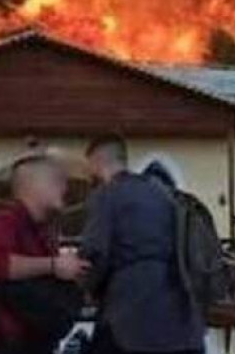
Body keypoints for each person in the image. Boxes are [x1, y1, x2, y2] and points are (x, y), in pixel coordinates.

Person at [80, 134, 206, 354]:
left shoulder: (107, 195)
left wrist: (84, 287)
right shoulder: (164, 193)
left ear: (97, 163)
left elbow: (95, 253)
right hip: (182, 316)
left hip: (131, 317)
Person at [0, 154, 90, 354]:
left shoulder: (43, 231)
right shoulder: (5, 219)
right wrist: (54, 265)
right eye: (56, 181)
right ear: (35, 186)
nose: (64, 188)